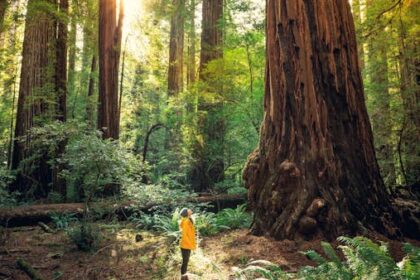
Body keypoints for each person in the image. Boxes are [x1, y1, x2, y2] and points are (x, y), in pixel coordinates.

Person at [179, 208, 196, 279]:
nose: (190, 210)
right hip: (185, 245)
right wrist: (189, 245)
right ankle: (183, 276)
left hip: (187, 244)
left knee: (186, 260)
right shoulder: (186, 221)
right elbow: (184, 235)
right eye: (188, 210)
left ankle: (184, 275)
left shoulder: (188, 220)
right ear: (186, 213)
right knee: (185, 261)